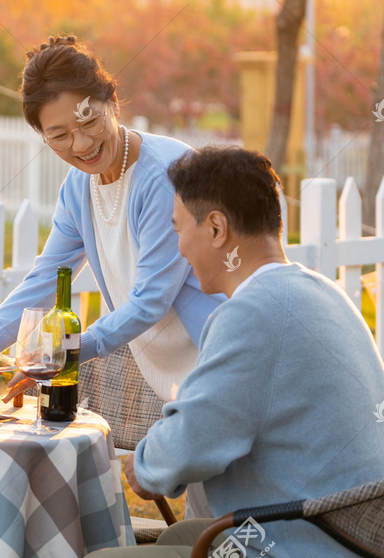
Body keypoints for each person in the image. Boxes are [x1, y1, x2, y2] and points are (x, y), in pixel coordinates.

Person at [0, 35, 225, 517]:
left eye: (89, 120)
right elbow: (45, 278)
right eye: (58, 135)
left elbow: (150, 301)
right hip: (173, 372)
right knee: (211, 523)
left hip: (218, 355)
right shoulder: (78, 188)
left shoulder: (164, 175)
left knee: (229, 519)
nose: (80, 144)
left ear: (112, 102)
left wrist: (62, 354)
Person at [94, 146, 384, 557]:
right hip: (349, 536)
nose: (178, 248)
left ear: (216, 229)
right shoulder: (325, 293)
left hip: (296, 540)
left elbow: (188, 445)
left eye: (178, 229)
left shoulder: (253, 313)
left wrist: (142, 466)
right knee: (181, 536)